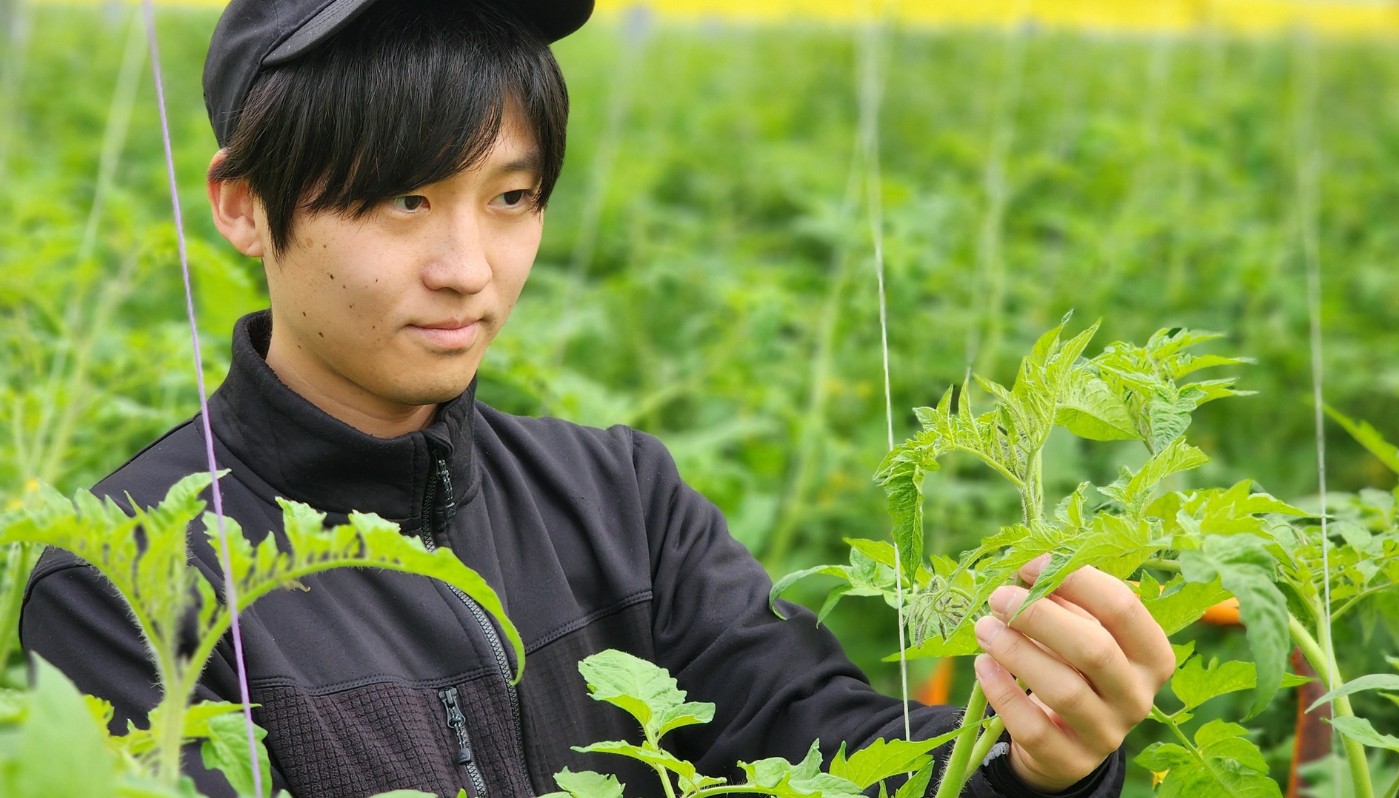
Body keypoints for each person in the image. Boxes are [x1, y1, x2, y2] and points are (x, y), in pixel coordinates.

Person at [21, 1, 1175, 797]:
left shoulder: (620, 499)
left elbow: (831, 748)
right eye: (404, 200)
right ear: (241, 205)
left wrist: (1031, 766)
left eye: (510, 198)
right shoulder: (129, 578)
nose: (468, 269)